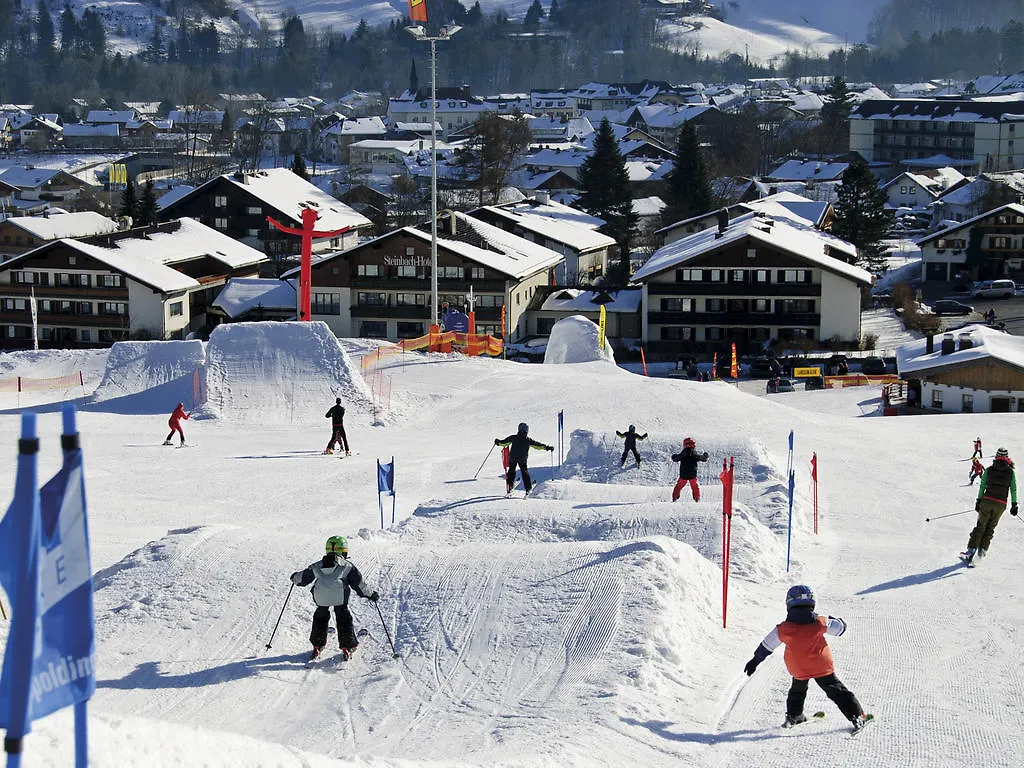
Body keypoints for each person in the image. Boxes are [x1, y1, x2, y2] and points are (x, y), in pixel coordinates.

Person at [743, 585, 871, 733]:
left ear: (789, 604)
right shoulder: (820, 622)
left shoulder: (783, 629)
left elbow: (767, 646)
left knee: (797, 690)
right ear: (812, 603)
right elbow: (839, 629)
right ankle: (857, 716)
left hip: (798, 667)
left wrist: (755, 661)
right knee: (837, 691)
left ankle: (794, 716)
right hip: (821, 666)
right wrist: (837, 621)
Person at [290, 535, 379, 661]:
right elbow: (359, 585)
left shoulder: (317, 565)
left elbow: (302, 578)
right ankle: (348, 645)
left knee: (320, 615)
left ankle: (317, 643)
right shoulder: (347, 566)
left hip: (321, 598)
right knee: (343, 616)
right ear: (344, 551)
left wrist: (295, 578)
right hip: (340, 598)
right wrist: (371, 594)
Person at [962, 447, 1018, 564]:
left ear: (996, 456)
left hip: (987, 501)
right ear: (1007, 458)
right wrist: (1014, 504)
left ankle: (970, 552)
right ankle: (981, 553)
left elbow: (982, 486)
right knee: (990, 528)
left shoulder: (989, 470)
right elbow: (1013, 489)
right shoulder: (1010, 472)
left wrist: (978, 500)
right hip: (1001, 504)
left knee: (980, 526)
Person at [494, 422, 553, 495]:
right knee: (524, 472)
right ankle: (528, 488)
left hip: (513, 457)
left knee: (511, 471)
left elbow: (504, 443)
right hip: (522, 459)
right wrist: (547, 447)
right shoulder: (528, 440)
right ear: (526, 430)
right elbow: (538, 446)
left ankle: (510, 486)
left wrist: (498, 442)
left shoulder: (514, 437)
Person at [671, 437, 709, 502]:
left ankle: (675, 498)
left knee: (679, 485)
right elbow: (701, 458)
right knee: (695, 486)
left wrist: (674, 456)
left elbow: (676, 458)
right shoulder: (693, 452)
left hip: (684, 474)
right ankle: (697, 499)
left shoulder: (683, 453)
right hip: (692, 474)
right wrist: (705, 456)